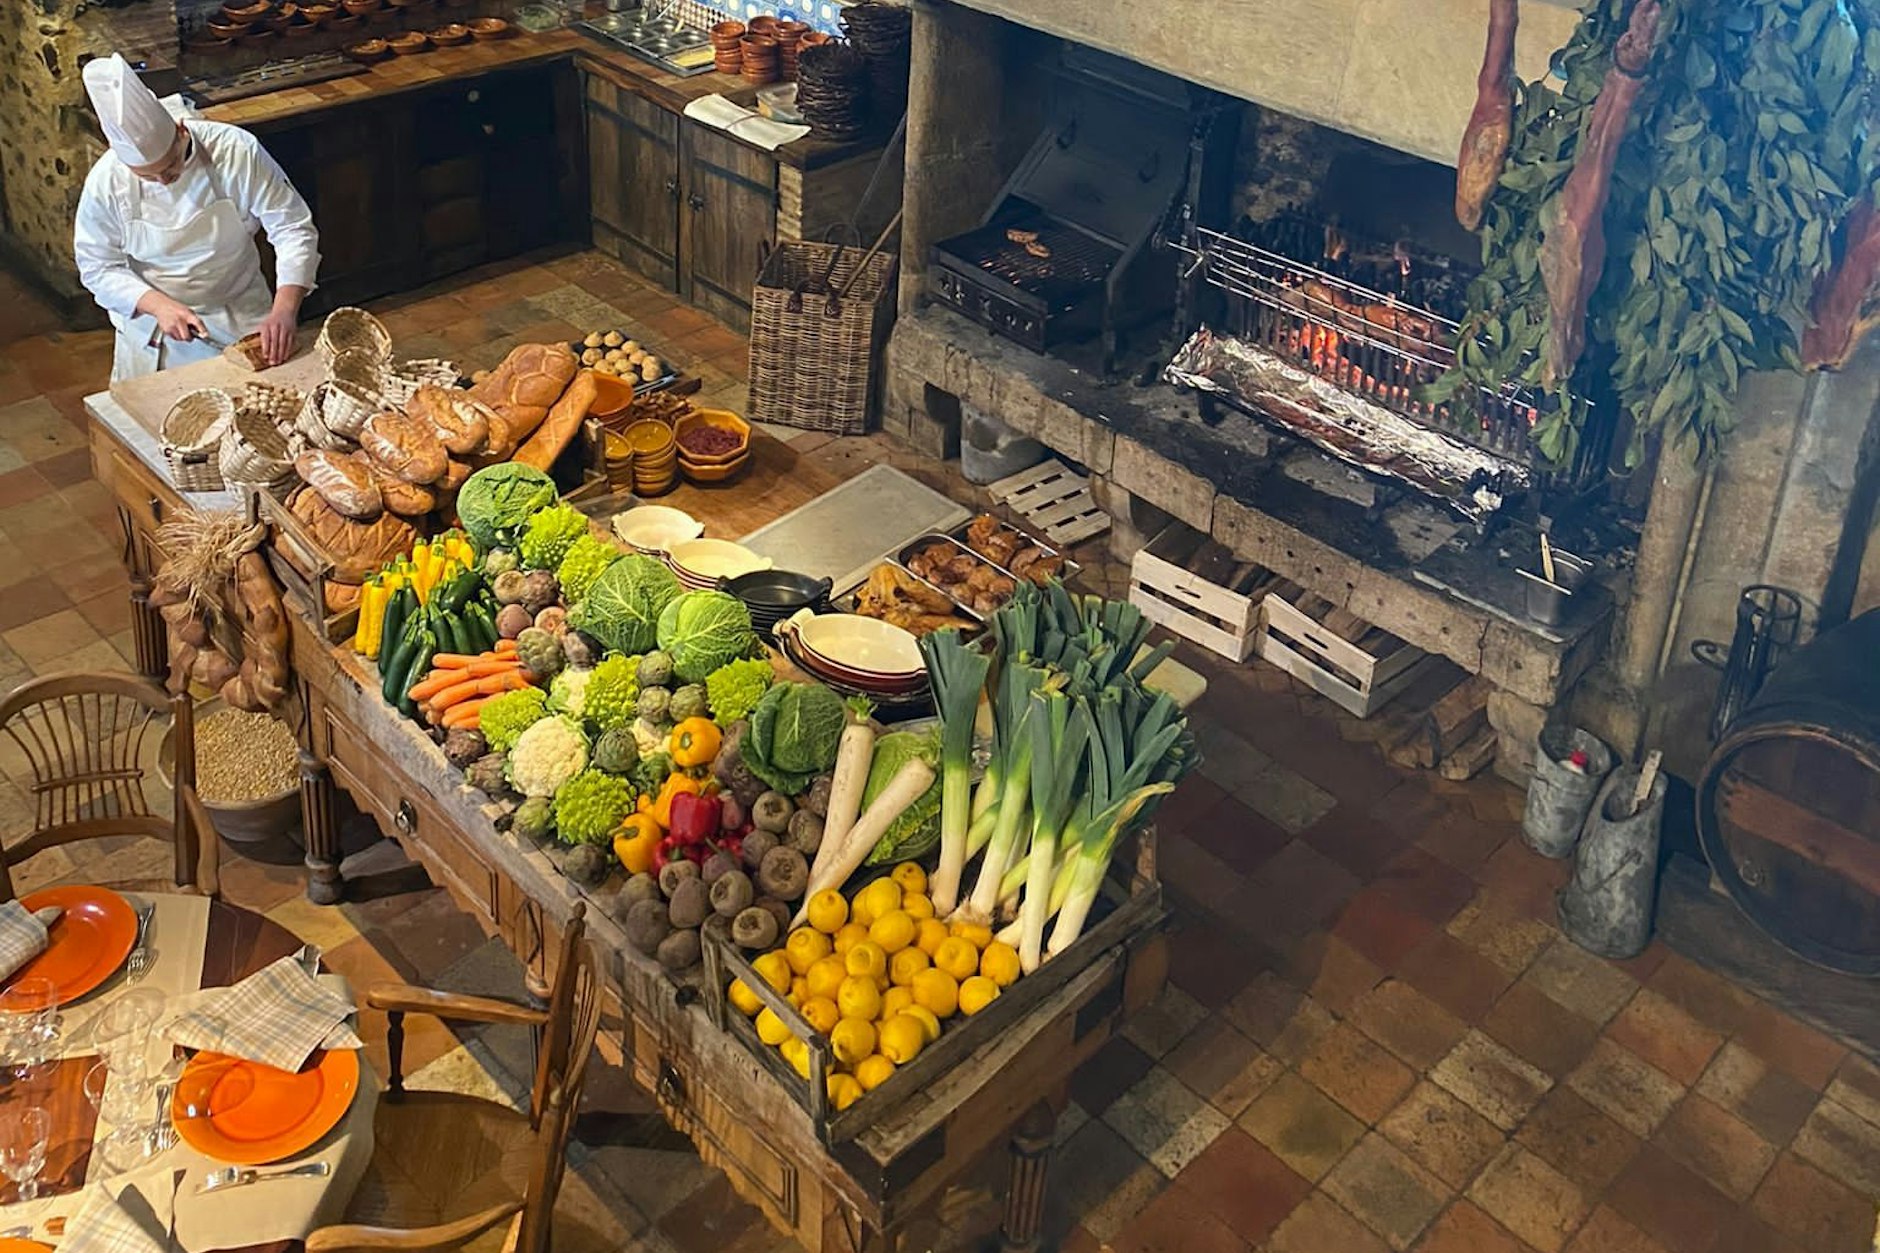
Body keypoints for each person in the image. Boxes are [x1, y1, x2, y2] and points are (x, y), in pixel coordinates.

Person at [74, 54, 321, 381]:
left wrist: (285, 310)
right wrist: (158, 305)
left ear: (180, 131)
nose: (164, 180)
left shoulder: (236, 151)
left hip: (241, 316)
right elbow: (97, 266)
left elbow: (292, 229)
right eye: (148, 177)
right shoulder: (105, 182)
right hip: (154, 331)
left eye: (169, 167)